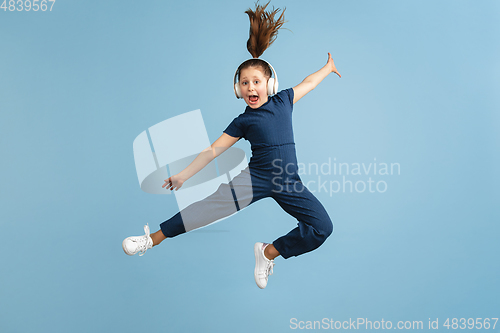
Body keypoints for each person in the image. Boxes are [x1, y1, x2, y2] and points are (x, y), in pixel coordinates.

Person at [122, 1, 341, 289]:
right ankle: (150, 240)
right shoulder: (242, 121)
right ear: (238, 89)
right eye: (245, 83)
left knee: (323, 228)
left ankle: (268, 252)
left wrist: (328, 68)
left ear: (270, 84)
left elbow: (308, 83)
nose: (251, 88)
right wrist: (183, 175)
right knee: (204, 210)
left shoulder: (283, 100)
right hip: (256, 179)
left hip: (289, 181)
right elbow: (212, 150)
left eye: (257, 82)